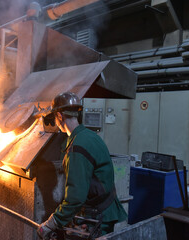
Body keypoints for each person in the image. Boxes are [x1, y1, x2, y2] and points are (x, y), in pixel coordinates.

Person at [37, 92, 127, 239]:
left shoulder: (77, 147)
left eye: (55, 117)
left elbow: (75, 197)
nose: (55, 121)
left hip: (99, 216)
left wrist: (51, 223)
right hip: (104, 208)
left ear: (60, 116)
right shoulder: (89, 136)